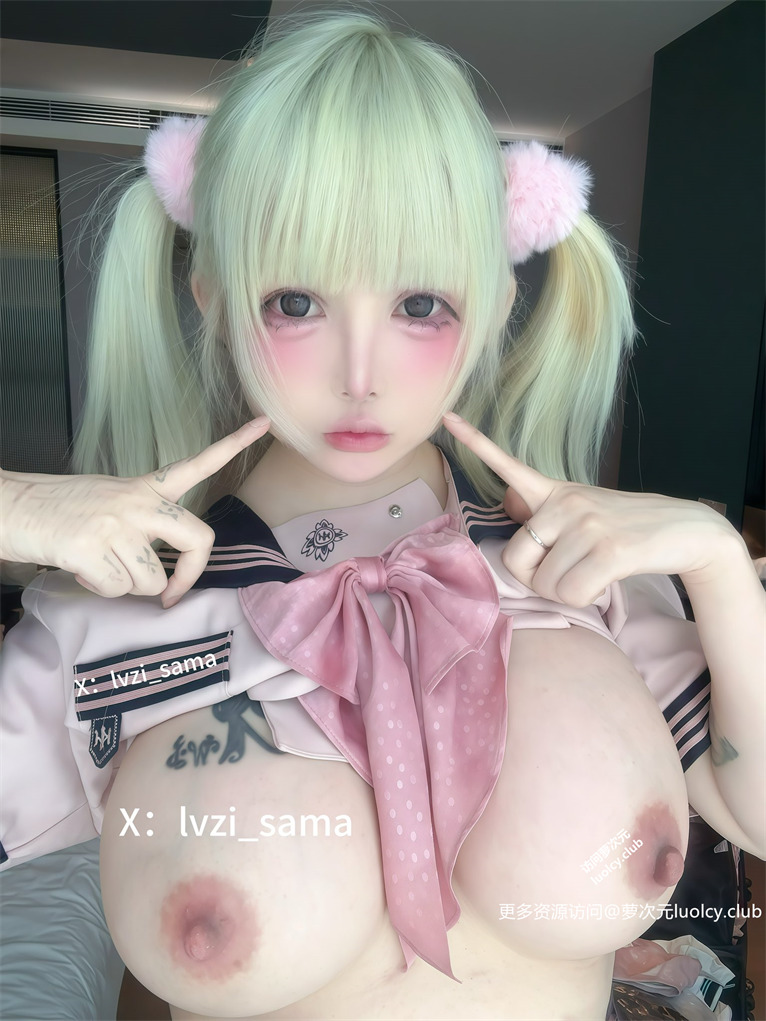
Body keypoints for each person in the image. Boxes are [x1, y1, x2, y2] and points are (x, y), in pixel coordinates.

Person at [0, 7, 763, 1019]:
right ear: (215, 299)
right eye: (296, 303)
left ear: (492, 308)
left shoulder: (587, 574)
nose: (359, 376)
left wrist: (716, 562)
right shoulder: (107, 622)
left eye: (418, 305)